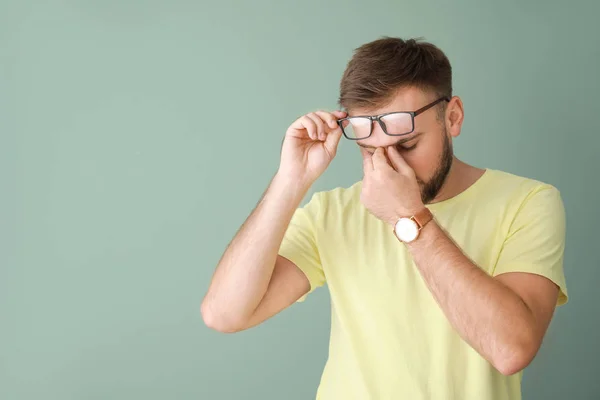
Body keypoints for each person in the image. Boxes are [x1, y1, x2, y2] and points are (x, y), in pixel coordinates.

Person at [200, 36, 568, 399]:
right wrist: (289, 181)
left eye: (407, 145)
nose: (388, 166)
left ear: (452, 116)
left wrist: (409, 218)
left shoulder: (528, 202)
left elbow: (511, 350)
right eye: (367, 150)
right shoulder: (334, 213)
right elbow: (225, 314)